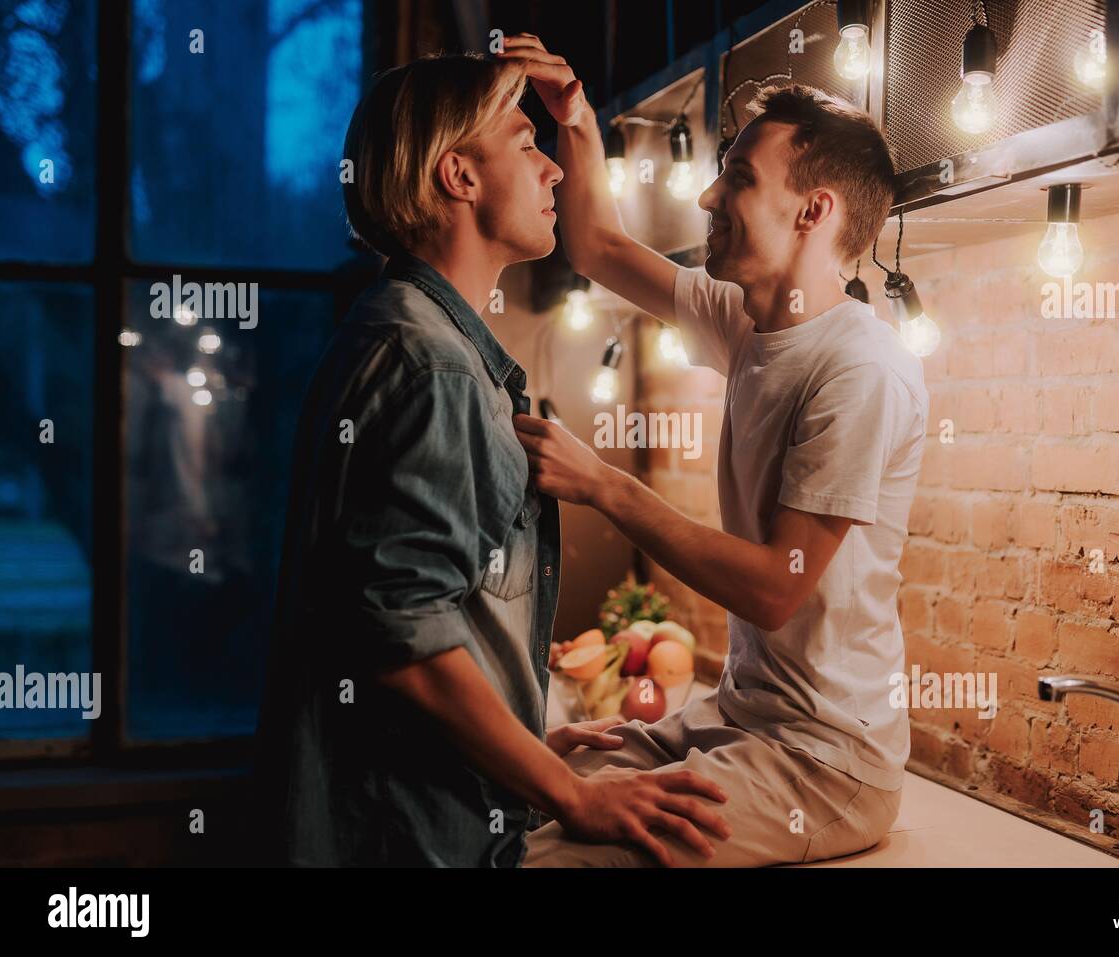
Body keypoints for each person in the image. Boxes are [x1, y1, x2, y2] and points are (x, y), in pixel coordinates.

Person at [251, 52, 728, 867]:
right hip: (408, 834)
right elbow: (407, 642)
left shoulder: (399, 332)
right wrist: (570, 790)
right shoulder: (432, 366)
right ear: (459, 176)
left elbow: (430, 614)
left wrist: (527, 730)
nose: (551, 168)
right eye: (524, 142)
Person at [500, 34, 928, 867]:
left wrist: (605, 485)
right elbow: (594, 247)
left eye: (739, 177)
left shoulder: (861, 369)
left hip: (826, 762)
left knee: (551, 863)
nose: (706, 193)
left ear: (815, 211)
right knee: (511, 801)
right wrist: (576, 118)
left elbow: (777, 589)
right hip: (738, 719)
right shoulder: (744, 315)